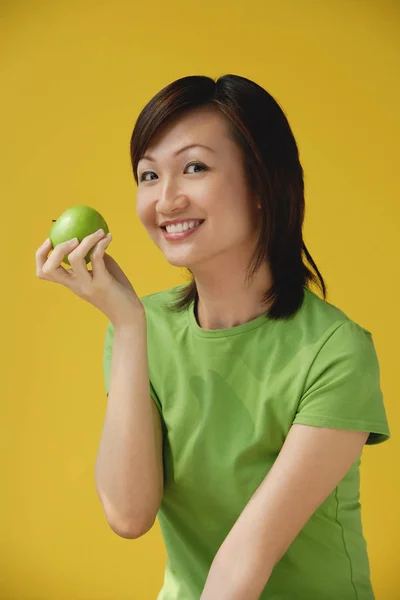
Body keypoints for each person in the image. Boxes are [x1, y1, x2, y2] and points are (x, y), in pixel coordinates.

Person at [36, 74, 391, 600]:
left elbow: (243, 563)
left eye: (194, 167)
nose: (166, 199)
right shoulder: (140, 328)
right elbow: (130, 514)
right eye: (149, 175)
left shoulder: (336, 352)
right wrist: (129, 327)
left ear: (264, 184)